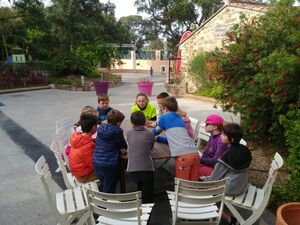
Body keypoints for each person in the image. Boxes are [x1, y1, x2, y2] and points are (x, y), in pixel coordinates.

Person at [208, 123, 252, 225]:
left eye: (223, 135)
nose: (220, 136)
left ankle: (229, 219)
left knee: (206, 196)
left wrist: (206, 183)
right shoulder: (245, 150)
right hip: (241, 185)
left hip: (230, 189)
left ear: (231, 140)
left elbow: (214, 178)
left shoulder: (227, 156)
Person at [152, 96, 199, 181]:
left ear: (165, 109)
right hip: (195, 154)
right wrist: (158, 138)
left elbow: (153, 132)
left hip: (184, 157)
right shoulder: (179, 118)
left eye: (161, 109)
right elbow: (174, 140)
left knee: (182, 185)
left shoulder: (164, 118)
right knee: (193, 183)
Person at [93, 109, 128, 193]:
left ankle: (103, 199)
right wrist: (123, 150)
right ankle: (108, 204)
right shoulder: (117, 131)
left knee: (104, 183)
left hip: (96, 162)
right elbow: (123, 145)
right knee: (110, 187)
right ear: (119, 123)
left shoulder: (100, 128)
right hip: (109, 164)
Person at [127, 111, 155, 203]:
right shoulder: (150, 134)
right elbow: (150, 148)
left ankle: (140, 202)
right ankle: (147, 212)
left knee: (140, 186)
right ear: (145, 122)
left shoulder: (129, 133)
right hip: (147, 170)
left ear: (132, 123)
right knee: (148, 195)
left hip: (132, 170)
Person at [69, 114, 98, 183]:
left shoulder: (77, 137)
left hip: (78, 172)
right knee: (109, 171)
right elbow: (94, 165)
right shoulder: (87, 146)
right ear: (94, 128)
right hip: (84, 176)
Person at [199, 115, 227, 179]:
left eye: (207, 124)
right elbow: (206, 152)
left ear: (215, 126)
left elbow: (215, 161)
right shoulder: (212, 135)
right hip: (207, 164)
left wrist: (201, 160)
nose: (205, 125)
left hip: (214, 169)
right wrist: (201, 160)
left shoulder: (221, 140)